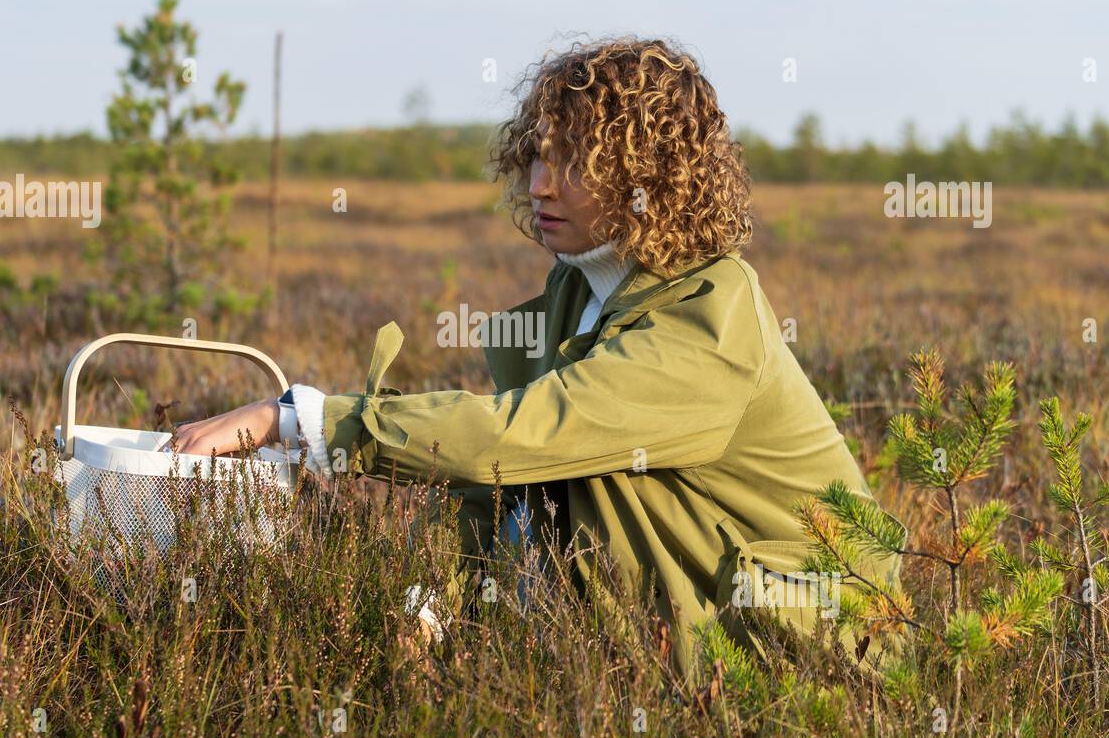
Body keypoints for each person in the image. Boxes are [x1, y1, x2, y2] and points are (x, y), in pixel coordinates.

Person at [170, 37, 897, 676]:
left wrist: (300, 419)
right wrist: (434, 611)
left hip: (808, 656)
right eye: (540, 155)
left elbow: (526, 433)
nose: (540, 183)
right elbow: (503, 487)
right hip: (684, 649)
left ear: (651, 178)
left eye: (574, 162)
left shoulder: (711, 310)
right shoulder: (575, 287)